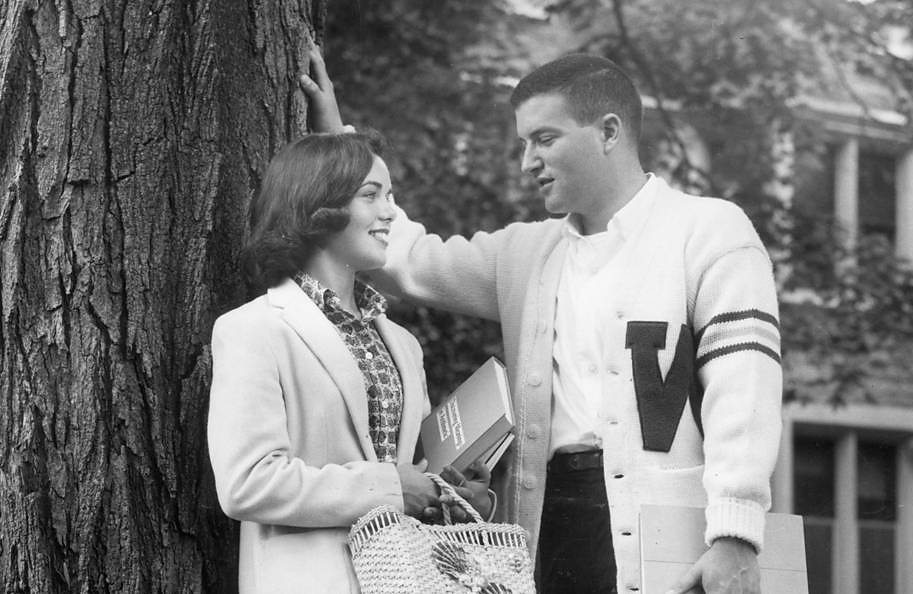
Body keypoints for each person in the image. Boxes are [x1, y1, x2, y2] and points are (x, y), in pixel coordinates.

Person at [303, 51, 781, 594]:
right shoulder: (527, 253)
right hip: (548, 527)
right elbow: (408, 260)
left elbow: (744, 393)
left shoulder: (710, 231)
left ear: (608, 132)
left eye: (545, 138)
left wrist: (736, 536)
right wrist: (340, 146)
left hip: (674, 535)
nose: (528, 161)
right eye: (523, 144)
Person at [206, 132, 491, 593]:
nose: (390, 212)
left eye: (391, 196)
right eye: (371, 195)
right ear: (319, 206)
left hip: (404, 579)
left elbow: (411, 475)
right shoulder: (252, 329)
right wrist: (391, 489)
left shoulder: (402, 342)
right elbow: (248, 483)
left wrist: (451, 493)